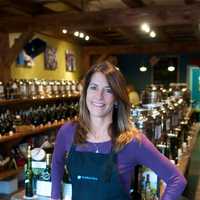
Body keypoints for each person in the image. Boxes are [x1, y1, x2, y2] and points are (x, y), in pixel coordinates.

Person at [51, 61, 186, 200]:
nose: (99, 96)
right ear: (85, 93)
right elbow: (56, 163)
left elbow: (177, 180)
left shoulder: (133, 141)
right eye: (93, 87)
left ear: (116, 98)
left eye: (108, 90)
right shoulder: (68, 131)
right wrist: (55, 196)